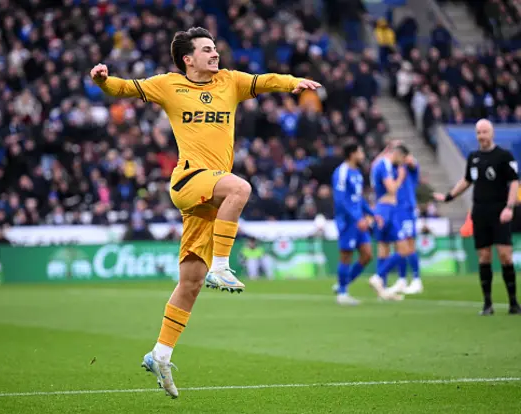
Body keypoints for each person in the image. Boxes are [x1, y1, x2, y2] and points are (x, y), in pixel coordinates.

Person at [90, 27, 321, 398]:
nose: (216, 55)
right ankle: (222, 267)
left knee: (190, 283)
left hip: (209, 197)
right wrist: (102, 81)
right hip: (188, 180)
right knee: (241, 187)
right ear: (188, 58)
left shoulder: (230, 82)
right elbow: (124, 89)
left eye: (215, 49)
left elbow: (267, 80)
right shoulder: (168, 85)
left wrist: (294, 82)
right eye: (208, 50)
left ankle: (160, 353)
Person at [434, 119, 520, 315]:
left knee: (505, 256)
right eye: (478, 132)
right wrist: (448, 196)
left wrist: (509, 207)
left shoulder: (504, 156)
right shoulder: (473, 157)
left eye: (484, 132)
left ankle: (513, 303)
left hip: (499, 211)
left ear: (492, 133)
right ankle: (487, 304)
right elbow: (467, 180)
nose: (481, 136)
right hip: (479, 211)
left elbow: (514, 182)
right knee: (484, 256)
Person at [331, 142, 375, 305]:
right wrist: (358, 219)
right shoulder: (342, 172)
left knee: (367, 255)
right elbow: (340, 200)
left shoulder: (357, 173)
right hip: (348, 221)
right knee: (346, 256)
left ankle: (343, 284)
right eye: (360, 151)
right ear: (352, 153)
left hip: (359, 220)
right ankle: (342, 294)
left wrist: (372, 214)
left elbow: (358, 198)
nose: (363, 154)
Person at [369, 144, 409, 301]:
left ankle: (382, 291)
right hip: (387, 209)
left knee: (383, 249)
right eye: (403, 158)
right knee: (404, 248)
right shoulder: (385, 164)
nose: (402, 163)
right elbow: (392, 189)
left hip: (381, 208)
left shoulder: (379, 163)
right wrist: (400, 177)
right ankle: (378, 277)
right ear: (398, 154)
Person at [386, 151, 423, 295]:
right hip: (395, 210)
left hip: (407, 210)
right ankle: (401, 280)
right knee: (399, 246)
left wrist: (407, 157)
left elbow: (413, 162)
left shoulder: (408, 168)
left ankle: (416, 280)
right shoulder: (392, 170)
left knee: (409, 244)